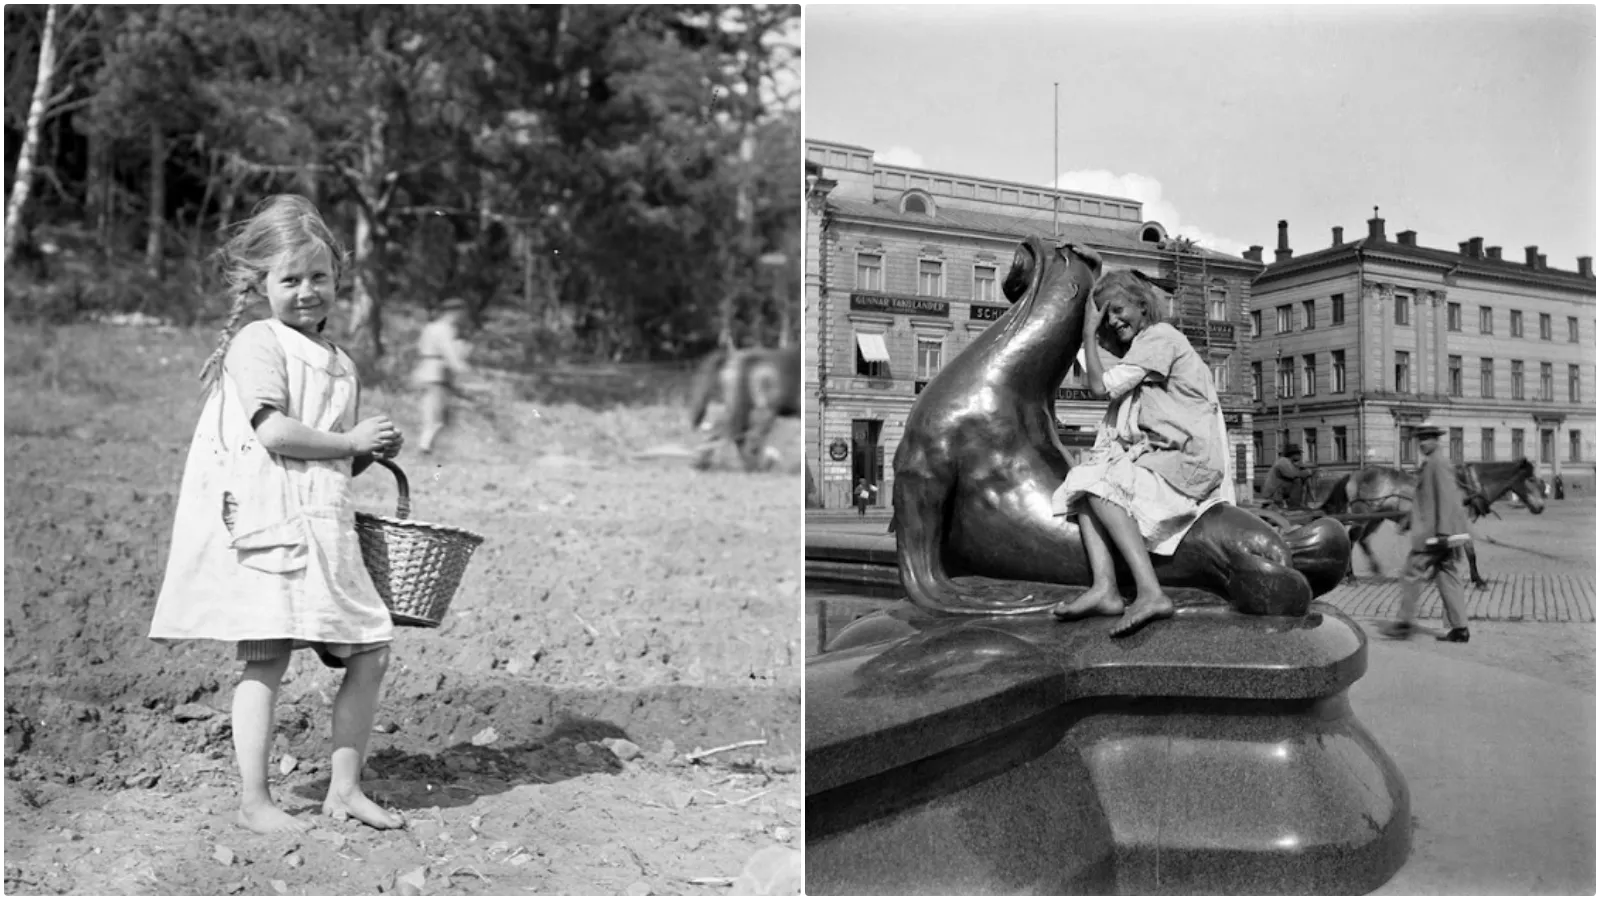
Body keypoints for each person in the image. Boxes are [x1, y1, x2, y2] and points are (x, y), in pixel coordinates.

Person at [148, 195, 406, 834]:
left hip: (324, 524)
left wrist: (365, 451)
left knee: (370, 647)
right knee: (266, 657)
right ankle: (255, 799)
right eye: (289, 279)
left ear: (338, 280)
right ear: (260, 285)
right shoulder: (257, 342)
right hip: (268, 525)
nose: (307, 291)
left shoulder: (342, 362)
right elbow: (274, 433)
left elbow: (330, 462)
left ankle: (344, 788)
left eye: (319, 277)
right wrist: (350, 442)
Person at [1050, 269, 1235, 638]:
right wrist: (1096, 273)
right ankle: (1105, 589)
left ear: (1142, 304)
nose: (1114, 320)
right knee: (1084, 488)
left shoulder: (1161, 337)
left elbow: (1101, 388)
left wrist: (1088, 332)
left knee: (1101, 482)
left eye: (1118, 309)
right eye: (1106, 316)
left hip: (1187, 459)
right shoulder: (1145, 348)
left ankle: (1150, 592)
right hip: (1164, 457)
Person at [1380, 421, 1472, 643]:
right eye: (1419, 439)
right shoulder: (1434, 462)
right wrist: (1408, 520)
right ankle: (1460, 629)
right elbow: (1427, 501)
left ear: (1435, 439)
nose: (1422, 443)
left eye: (1426, 438)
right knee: (1448, 576)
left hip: (1435, 535)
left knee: (1411, 574)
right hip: (1443, 534)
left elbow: (1446, 497)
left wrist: (1442, 532)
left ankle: (1404, 623)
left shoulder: (1437, 464)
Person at [414, 296, 476, 454]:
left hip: (426, 372)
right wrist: (463, 370)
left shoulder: (431, 327)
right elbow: (449, 353)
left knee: (436, 416)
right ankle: (424, 449)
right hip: (436, 376)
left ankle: (428, 448)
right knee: (437, 417)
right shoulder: (445, 329)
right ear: (454, 313)